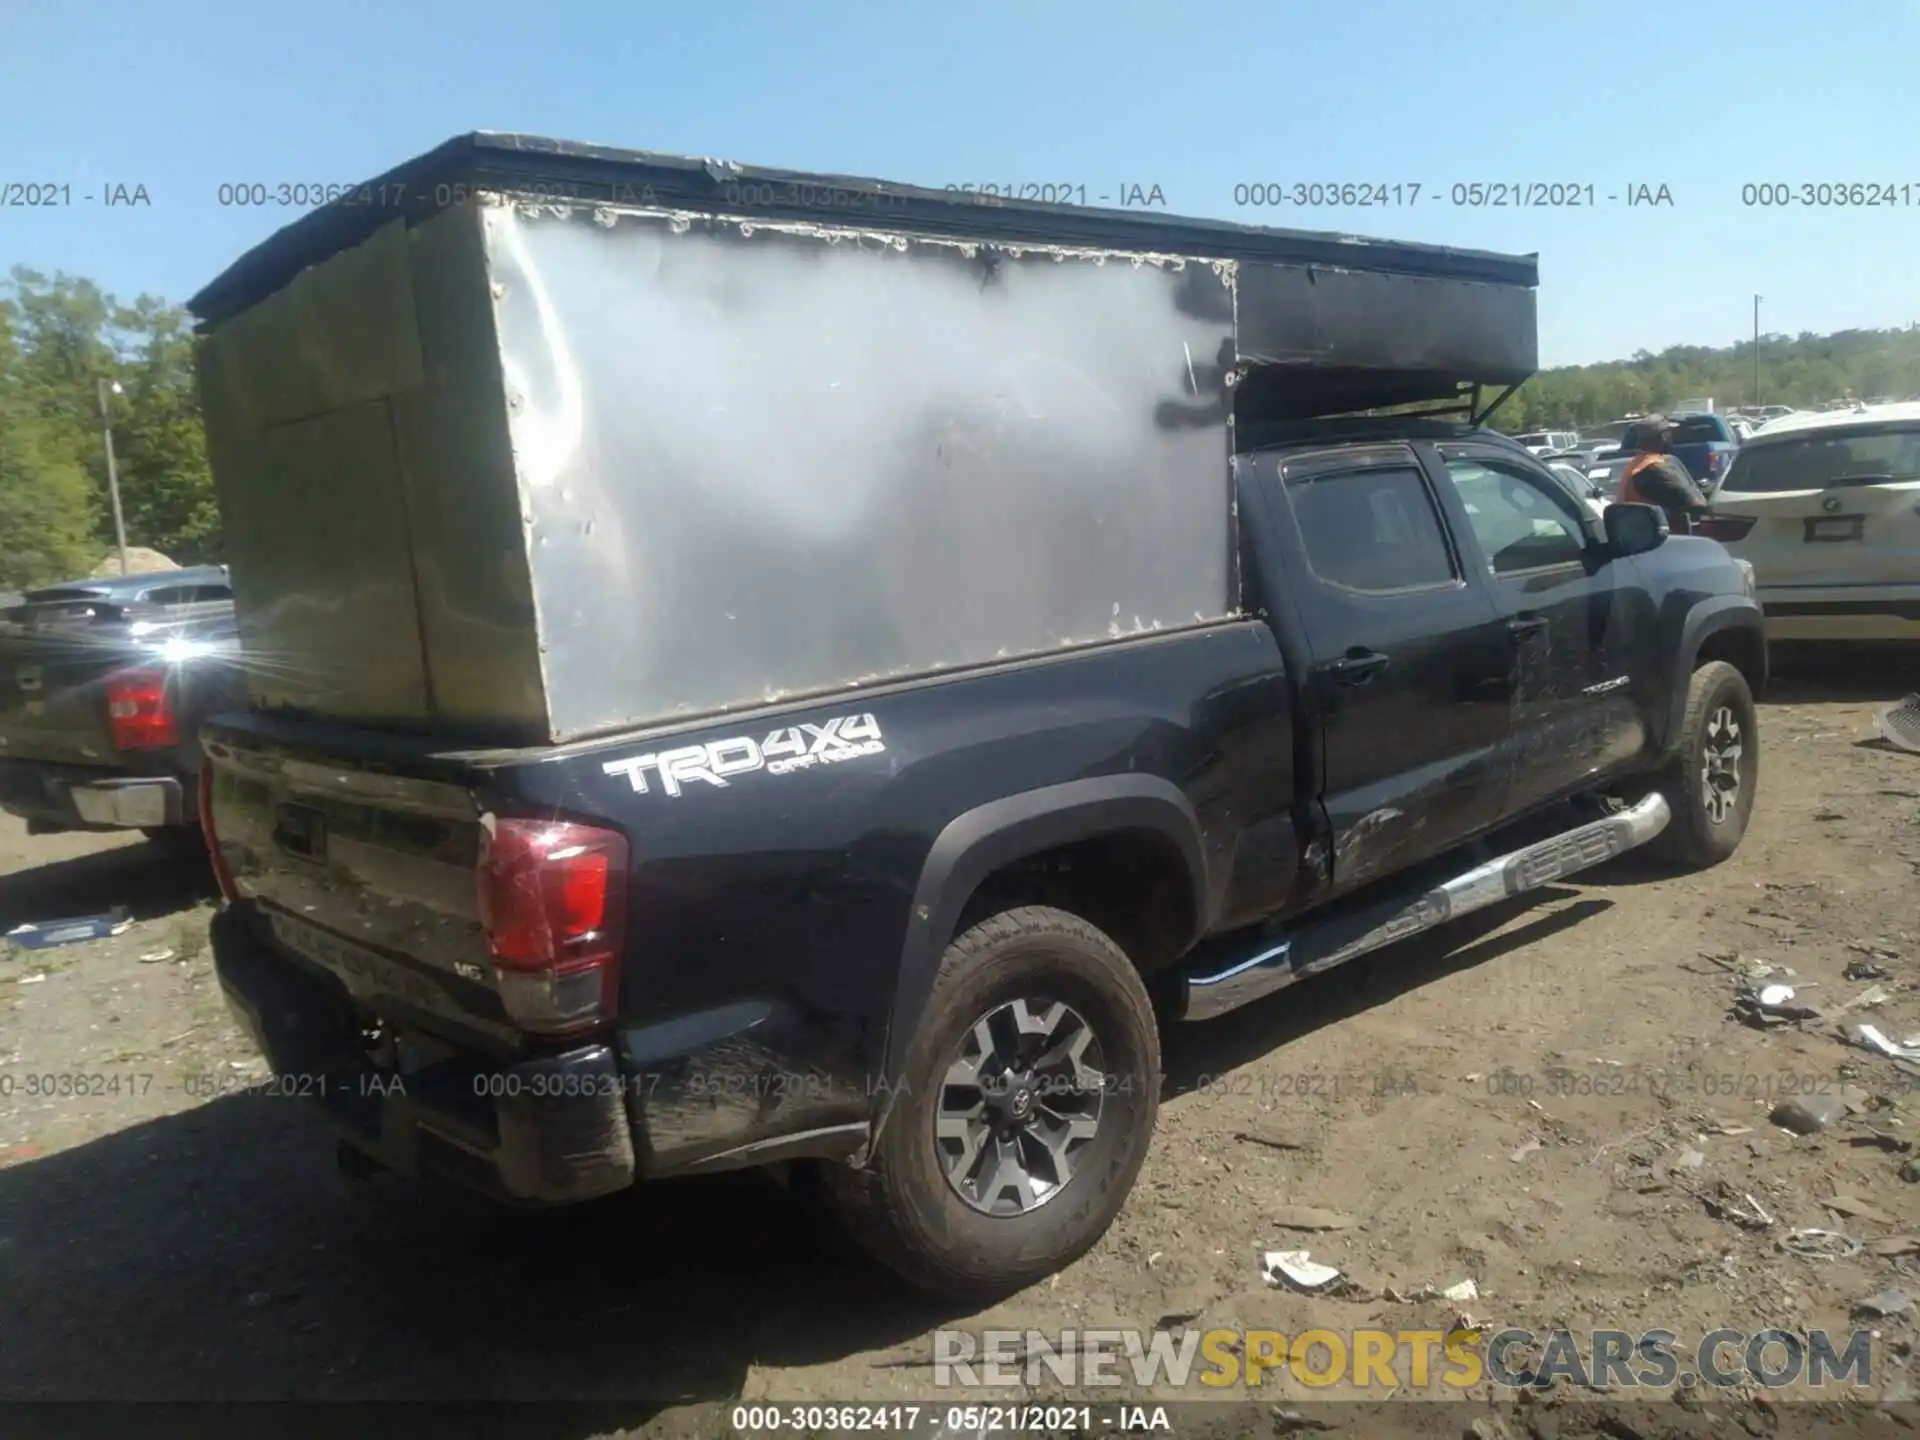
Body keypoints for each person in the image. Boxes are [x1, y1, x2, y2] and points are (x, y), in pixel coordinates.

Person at [1616, 415, 1709, 534]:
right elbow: (1693, 504)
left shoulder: (1636, 464)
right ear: (1663, 437)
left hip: (1637, 536)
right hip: (1661, 541)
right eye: (1670, 433)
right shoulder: (1655, 468)